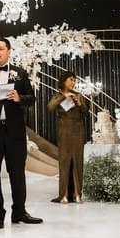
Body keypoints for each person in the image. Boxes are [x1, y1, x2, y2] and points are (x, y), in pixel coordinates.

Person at [0, 37, 43, 229]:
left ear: (9, 51)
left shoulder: (20, 73)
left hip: (14, 132)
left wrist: (19, 98)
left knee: (17, 173)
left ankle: (19, 212)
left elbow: (31, 99)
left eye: (1, 48)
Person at [47, 71, 88, 204]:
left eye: (74, 80)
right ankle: (63, 194)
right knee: (65, 161)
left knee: (77, 160)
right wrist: (63, 97)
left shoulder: (78, 95)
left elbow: (86, 113)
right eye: (71, 80)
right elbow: (50, 107)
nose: (73, 82)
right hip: (64, 131)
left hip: (78, 131)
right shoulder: (57, 95)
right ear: (64, 81)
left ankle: (77, 194)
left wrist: (79, 103)